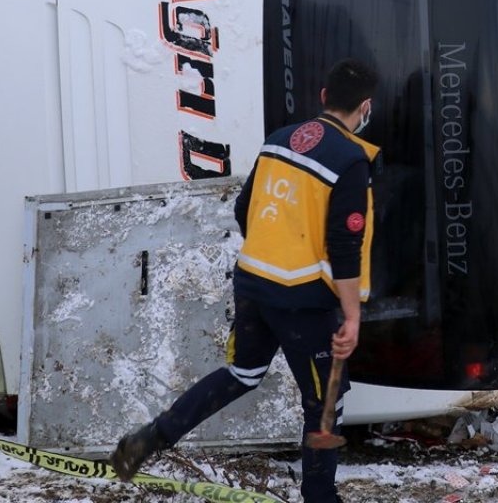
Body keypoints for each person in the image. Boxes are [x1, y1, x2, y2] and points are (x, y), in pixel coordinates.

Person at [109, 58, 381, 503]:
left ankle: (148, 440)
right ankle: (319, 497)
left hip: (254, 282)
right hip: (304, 301)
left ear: (324, 97)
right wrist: (351, 314)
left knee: (241, 373)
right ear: (365, 107)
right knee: (325, 402)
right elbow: (344, 245)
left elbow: (244, 210)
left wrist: (274, 250)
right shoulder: (351, 160)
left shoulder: (278, 142)